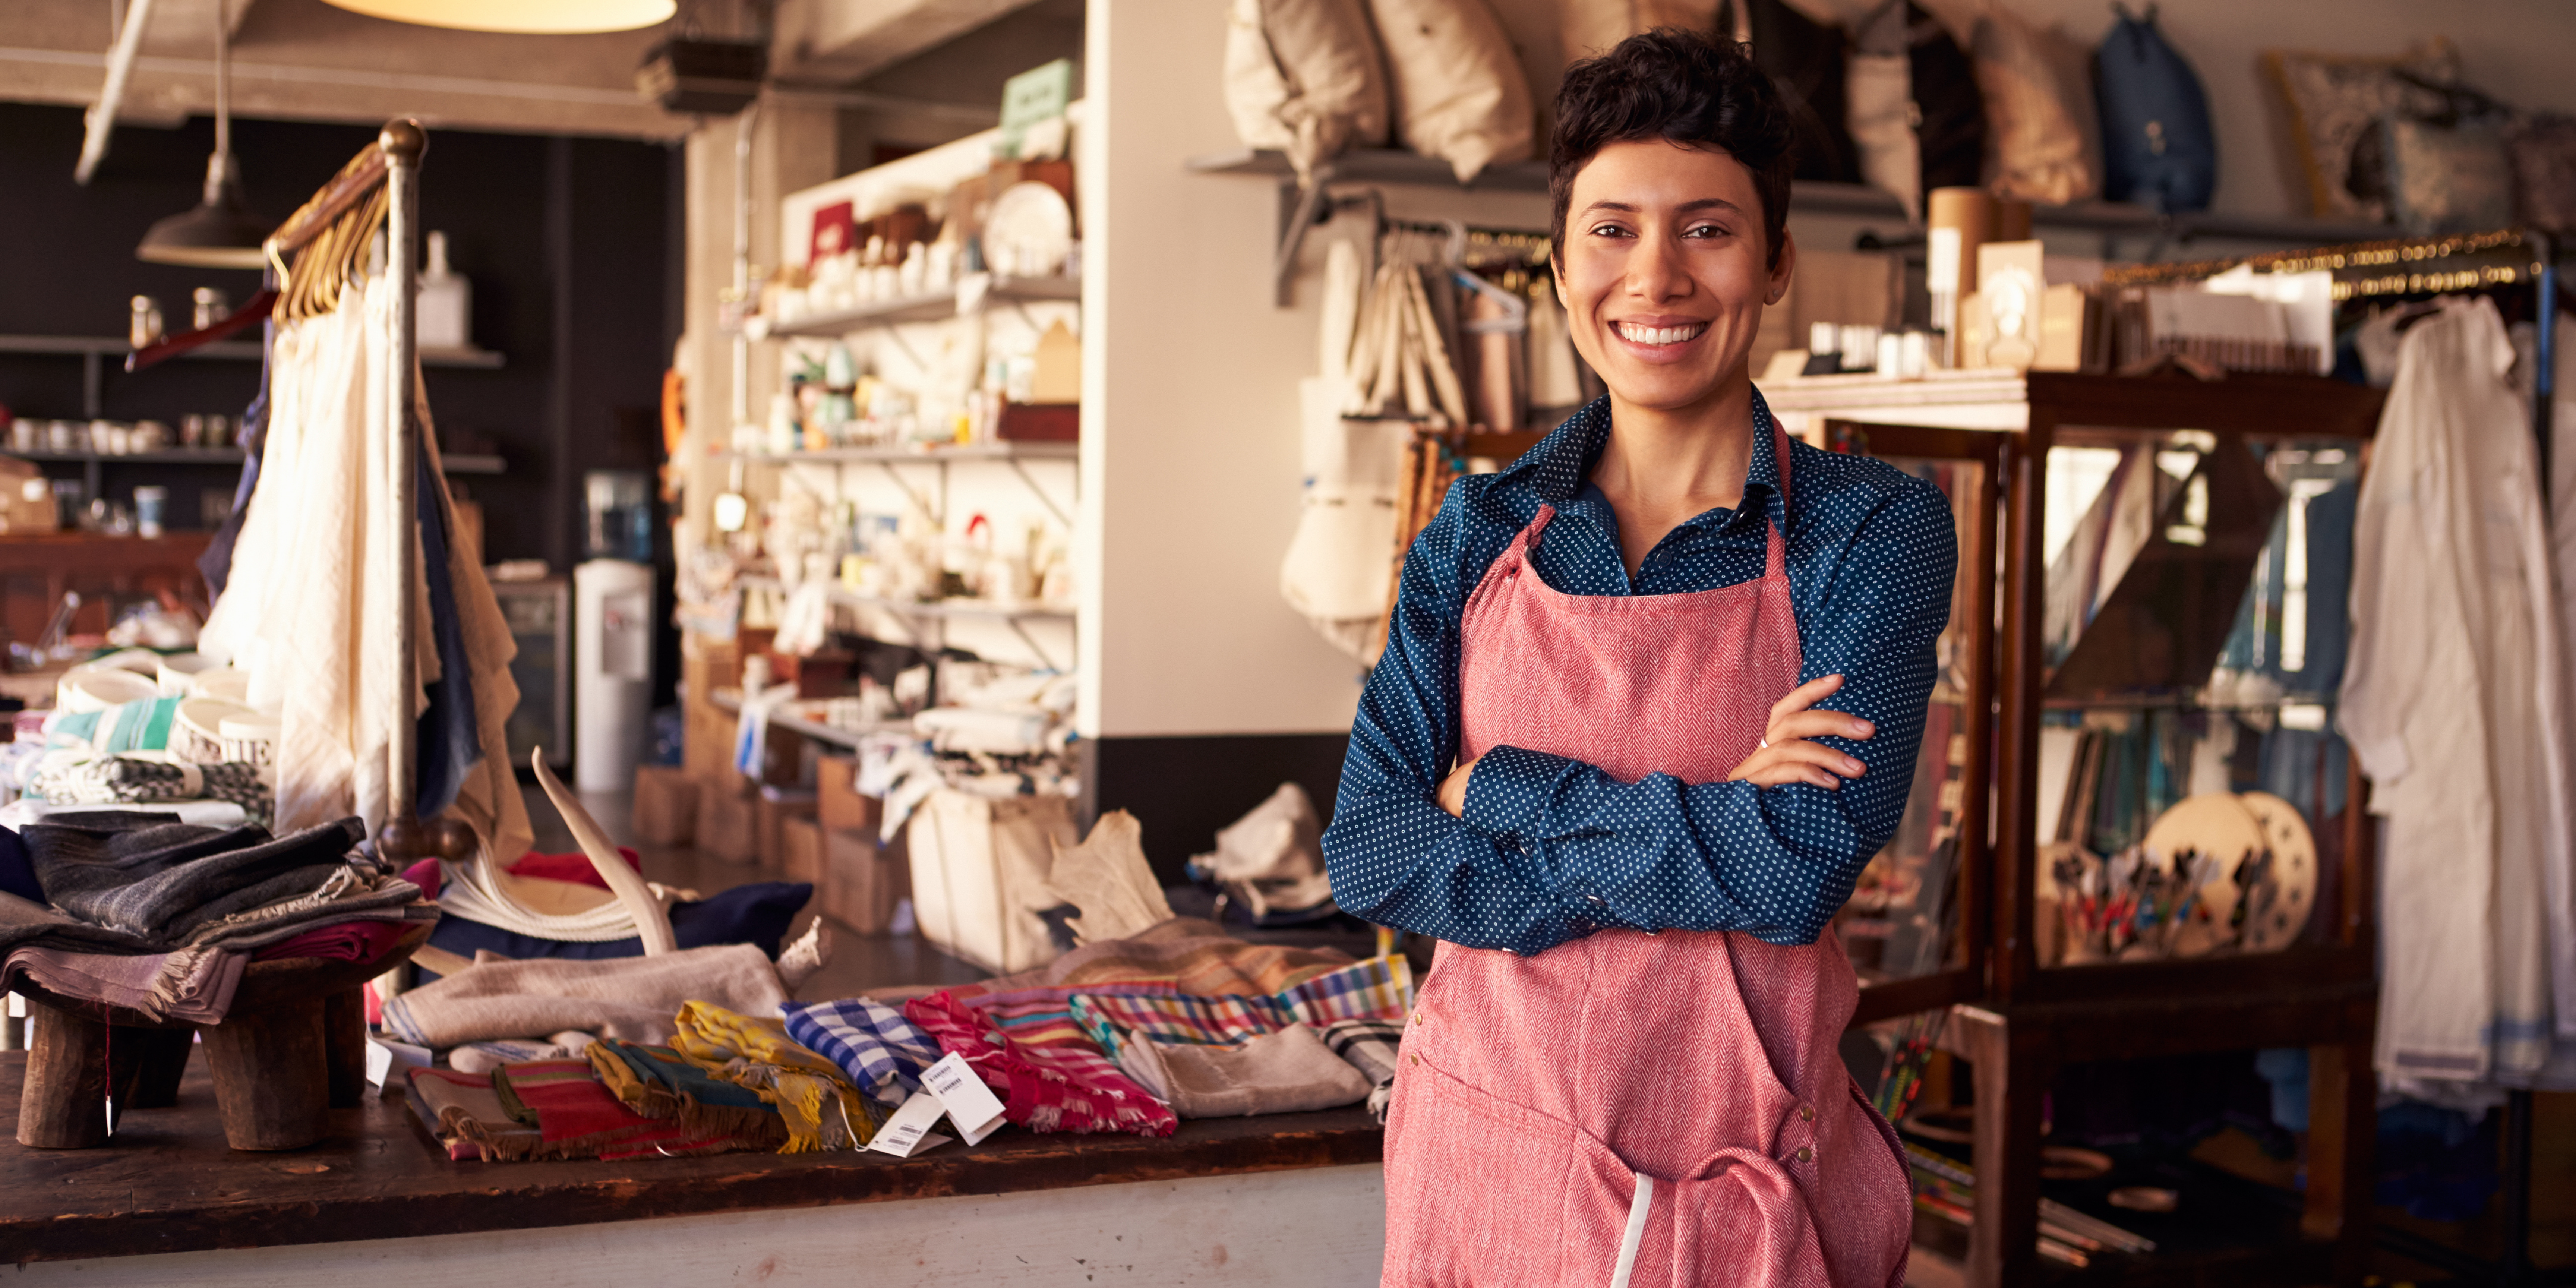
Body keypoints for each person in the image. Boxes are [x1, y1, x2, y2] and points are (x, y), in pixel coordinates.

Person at [1319, 28, 1957, 1288]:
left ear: (1777, 264)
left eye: (1707, 230)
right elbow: (1373, 847)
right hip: (1483, 1164)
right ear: (1560, 270)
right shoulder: (1479, 533)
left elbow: (1799, 871)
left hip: (1745, 1188)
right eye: (1611, 230)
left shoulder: (1873, 530)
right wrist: (1723, 818)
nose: (1655, 277)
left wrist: (1496, 796)